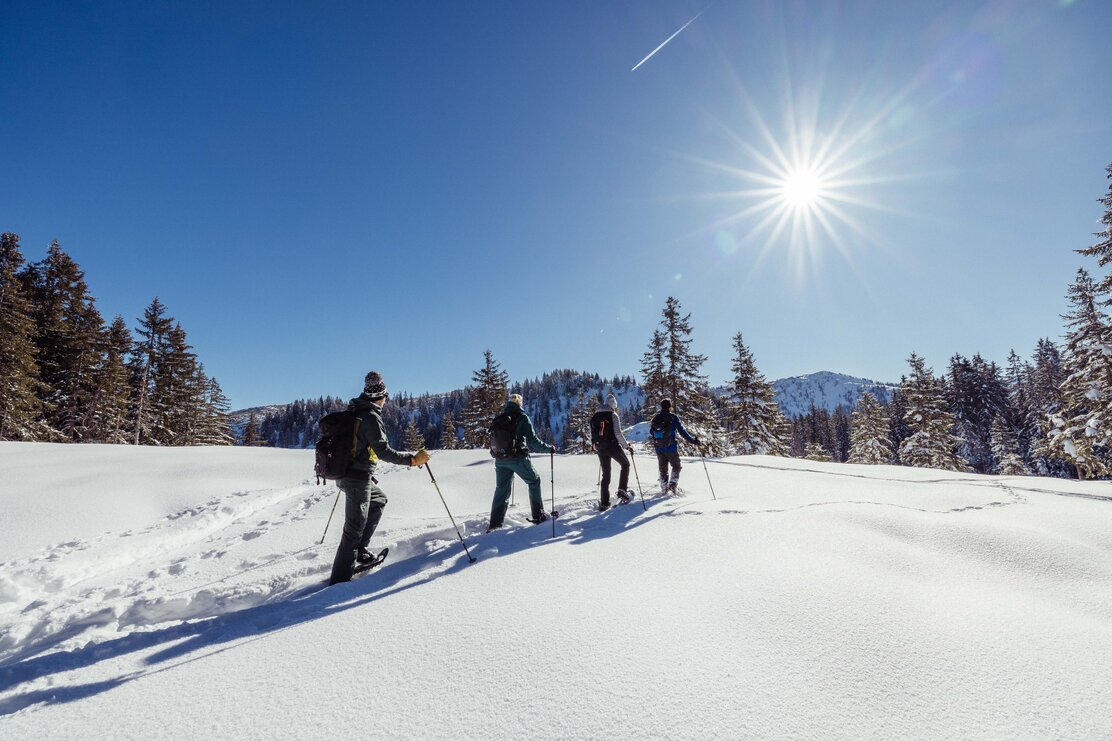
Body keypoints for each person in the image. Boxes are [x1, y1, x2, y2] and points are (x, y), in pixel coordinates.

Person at [329, 371, 429, 585]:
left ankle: (358, 553)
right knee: (352, 531)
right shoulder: (370, 417)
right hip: (356, 478)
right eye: (386, 396)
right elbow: (383, 451)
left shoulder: (357, 409)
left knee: (378, 500)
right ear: (382, 396)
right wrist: (412, 460)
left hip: (352, 474)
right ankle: (338, 584)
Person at [488, 393, 557, 531]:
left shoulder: (500, 417)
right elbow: (533, 441)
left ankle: (495, 524)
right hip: (517, 458)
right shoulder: (522, 417)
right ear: (520, 403)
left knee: (501, 490)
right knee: (534, 480)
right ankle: (538, 515)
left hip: (500, 459)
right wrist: (549, 449)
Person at [591, 392, 634, 510]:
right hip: (612, 446)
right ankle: (622, 490)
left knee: (606, 475)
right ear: (613, 405)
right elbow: (618, 433)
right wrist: (626, 446)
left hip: (600, 447)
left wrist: (595, 445)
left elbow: (593, 434)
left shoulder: (595, 416)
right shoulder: (613, 415)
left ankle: (604, 502)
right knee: (625, 464)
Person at [650, 398, 700, 494]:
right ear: (669, 407)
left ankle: (664, 488)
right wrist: (693, 441)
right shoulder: (673, 418)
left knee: (663, 470)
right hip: (671, 448)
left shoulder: (656, 418)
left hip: (659, 448)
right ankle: (672, 485)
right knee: (676, 466)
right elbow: (682, 432)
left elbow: (651, 432)